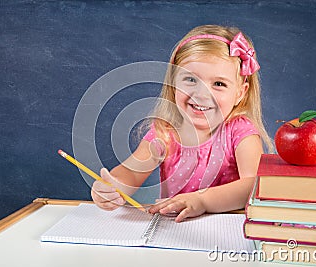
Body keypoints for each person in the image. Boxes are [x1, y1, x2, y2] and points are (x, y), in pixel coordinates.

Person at [91, 24, 273, 222]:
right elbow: (132, 172)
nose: (202, 94)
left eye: (218, 84)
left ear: (240, 92)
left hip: (228, 233)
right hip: (175, 232)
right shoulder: (164, 132)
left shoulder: (240, 132)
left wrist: (201, 201)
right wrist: (113, 188)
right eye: (190, 80)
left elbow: (254, 184)